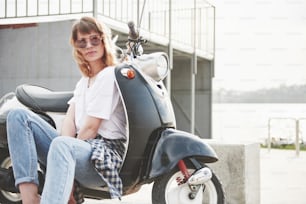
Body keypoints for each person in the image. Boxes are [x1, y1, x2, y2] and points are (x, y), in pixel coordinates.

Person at [7, 16, 127, 204]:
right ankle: (30, 199)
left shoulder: (109, 75)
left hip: (102, 155)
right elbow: (69, 123)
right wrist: (66, 148)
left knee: (63, 145)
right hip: (80, 150)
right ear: (77, 47)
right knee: (18, 116)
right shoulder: (84, 82)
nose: (89, 45)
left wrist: (68, 155)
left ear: (104, 41)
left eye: (94, 39)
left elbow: (90, 129)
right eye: (82, 41)